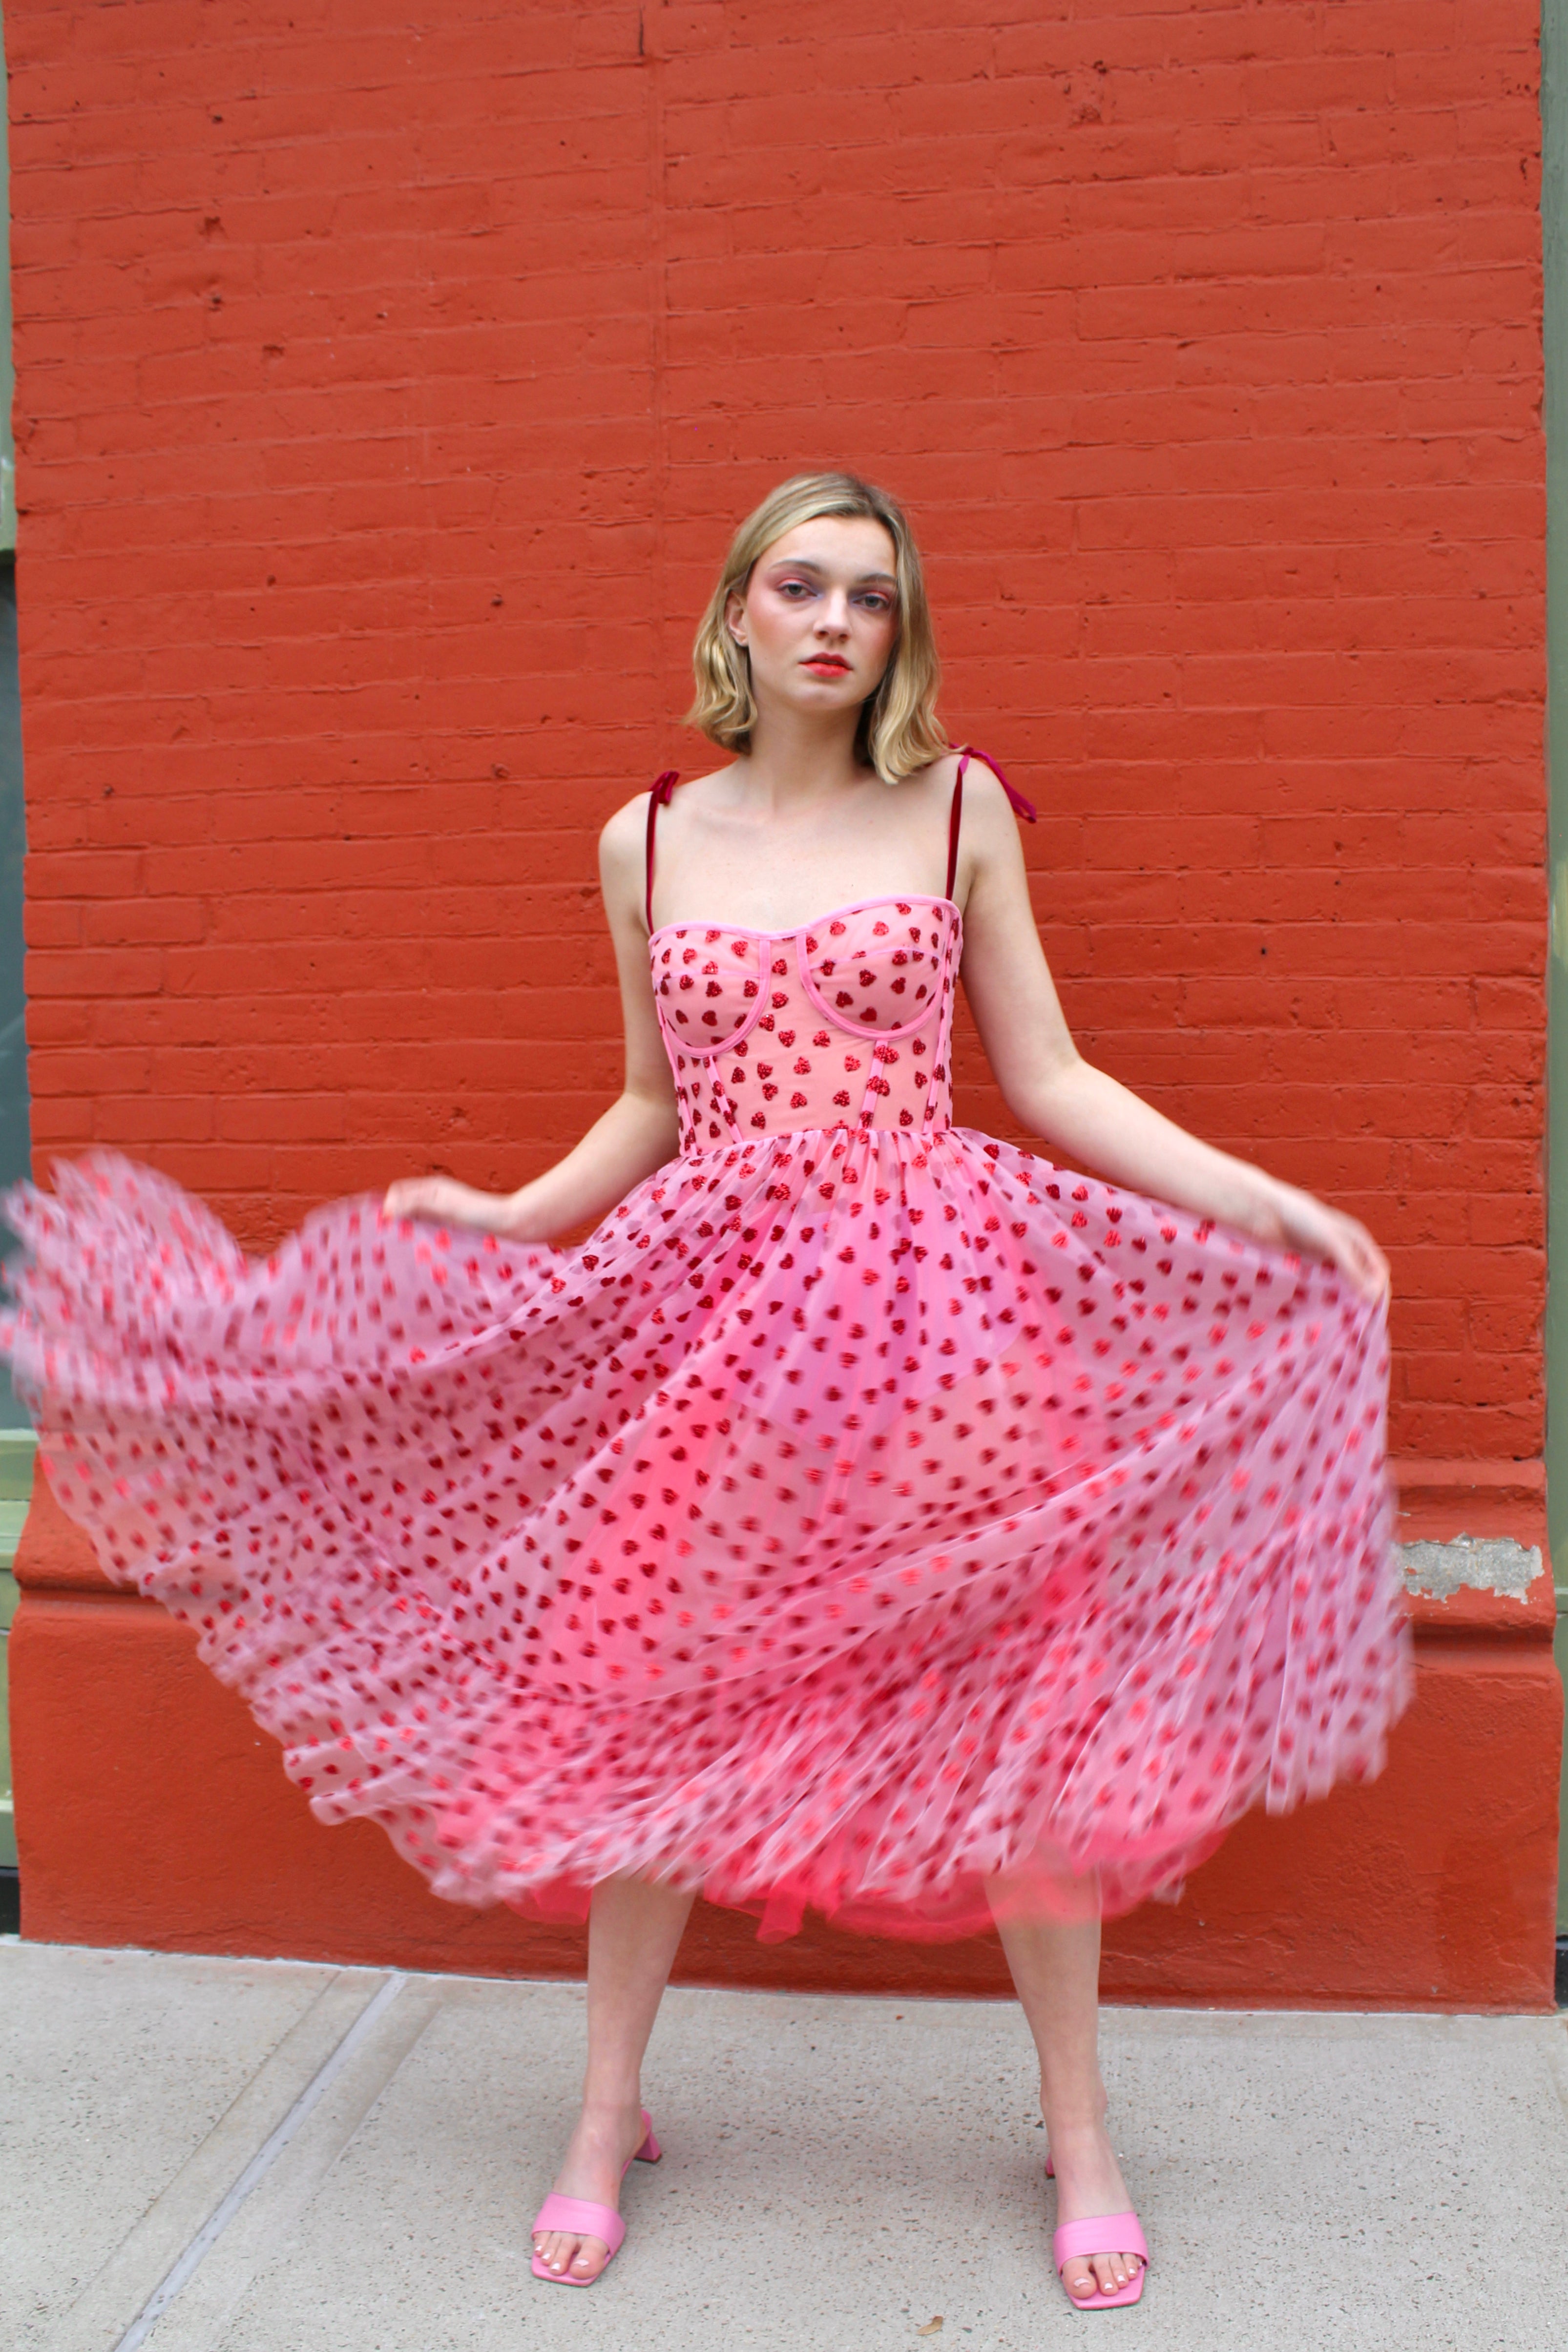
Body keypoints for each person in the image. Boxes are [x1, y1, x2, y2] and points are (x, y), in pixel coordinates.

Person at [3, 472, 1405, 2313]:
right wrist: (512, 1213)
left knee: (1022, 1718)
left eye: (874, 598)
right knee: (649, 1708)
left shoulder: (959, 806)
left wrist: (1264, 1199)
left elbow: (1047, 1075)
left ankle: (1075, 2132)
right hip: (709, 1334)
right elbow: (653, 1103)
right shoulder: (642, 842)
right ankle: (602, 2113)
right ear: (737, 610)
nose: (835, 621)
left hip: (942, 1323)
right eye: (802, 586)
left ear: (901, 631)